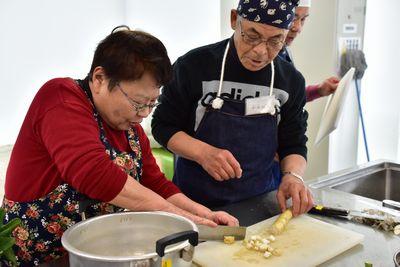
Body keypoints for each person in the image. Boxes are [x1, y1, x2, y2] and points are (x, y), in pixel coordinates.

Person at [1, 27, 238, 266]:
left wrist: (204, 216)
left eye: (151, 104)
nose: (144, 114)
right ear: (99, 79)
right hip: (38, 260)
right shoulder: (60, 98)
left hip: (99, 257)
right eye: (137, 103)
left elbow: (155, 184)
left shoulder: (130, 129)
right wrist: (182, 218)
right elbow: (93, 174)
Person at [152, 0, 314, 216]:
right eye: (252, 36)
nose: (260, 52)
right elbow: (163, 127)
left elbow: (293, 143)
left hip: (260, 202)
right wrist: (203, 153)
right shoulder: (194, 66)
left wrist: (294, 176)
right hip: (195, 203)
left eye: (276, 41)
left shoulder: (290, 81)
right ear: (234, 19)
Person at [279, 0, 339, 102]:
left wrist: (319, 90)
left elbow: (290, 98)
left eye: (303, 19)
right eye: (293, 17)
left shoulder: (284, 52)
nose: (298, 28)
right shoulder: (260, 57)